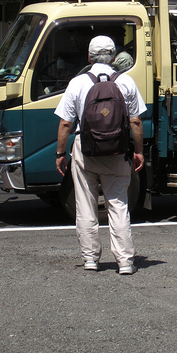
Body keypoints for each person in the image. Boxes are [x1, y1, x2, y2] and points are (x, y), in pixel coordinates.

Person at [54, 35, 146, 275]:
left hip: (85, 151)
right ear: (113, 57)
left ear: (89, 57)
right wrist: (138, 151)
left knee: (86, 205)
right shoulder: (126, 82)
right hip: (117, 151)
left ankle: (91, 260)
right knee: (118, 205)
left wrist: (60, 153)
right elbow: (136, 121)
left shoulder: (77, 83)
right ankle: (125, 262)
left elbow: (66, 123)